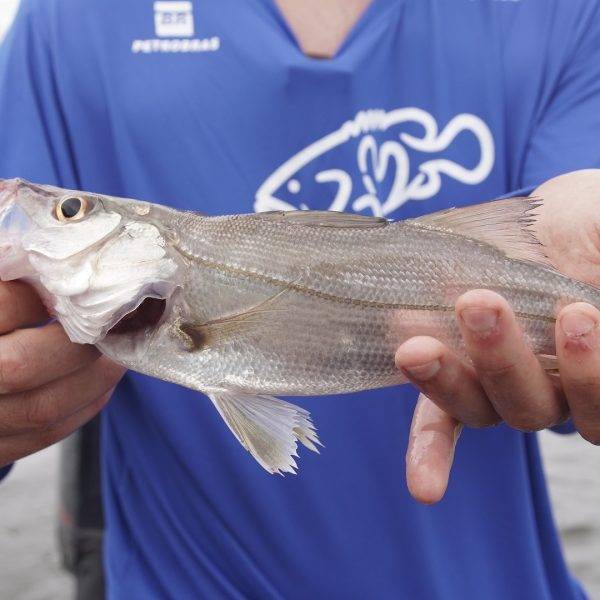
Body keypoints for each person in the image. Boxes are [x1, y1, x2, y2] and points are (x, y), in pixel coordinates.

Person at [1, 0, 600, 597]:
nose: (30, 206)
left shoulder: (564, 14)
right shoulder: (66, 22)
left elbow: (570, 381)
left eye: (69, 210)